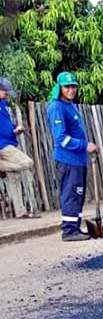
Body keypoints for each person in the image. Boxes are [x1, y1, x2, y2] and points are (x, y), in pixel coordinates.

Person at [47, 72, 100, 241]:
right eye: (67, 87)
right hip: (67, 160)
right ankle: (69, 231)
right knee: (70, 194)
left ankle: (75, 227)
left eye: (73, 86)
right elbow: (61, 139)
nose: (71, 90)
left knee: (78, 194)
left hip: (78, 160)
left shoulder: (70, 105)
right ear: (59, 88)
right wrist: (85, 145)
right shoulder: (57, 107)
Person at [0, 77, 40, 218]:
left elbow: (4, 124)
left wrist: (15, 129)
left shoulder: (2, 104)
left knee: (15, 177)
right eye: (5, 92)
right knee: (27, 163)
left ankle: (20, 211)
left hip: (9, 141)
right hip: (2, 145)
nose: (7, 94)